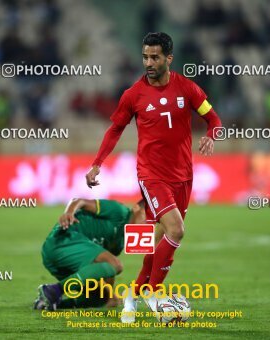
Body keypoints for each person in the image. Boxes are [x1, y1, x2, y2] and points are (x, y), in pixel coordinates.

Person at [84, 32, 222, 323]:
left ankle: (132, 298)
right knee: (177, 230)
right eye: (145, 56)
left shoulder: (187, 88)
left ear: (168, 58)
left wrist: (211, 135)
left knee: (158, 237)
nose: (148, 62)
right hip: (151, 175)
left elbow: (213, 118)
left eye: (155, 57)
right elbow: (115, 130)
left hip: (183, 176)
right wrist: (97, 163)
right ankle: (154, 293)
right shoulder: (133, 95)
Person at [35, 198, 146, 310]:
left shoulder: (121, 242)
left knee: (99, 296)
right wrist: (69, 212)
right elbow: (79, 201)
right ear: (136, 208)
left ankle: (50, 302)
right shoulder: (119, 211)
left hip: (63, 260)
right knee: (116, 265)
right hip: (63, 240)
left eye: (153, 221)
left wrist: (110, 296)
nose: (148, 222)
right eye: (147, 216)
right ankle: (54, 290)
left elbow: (106, 268)